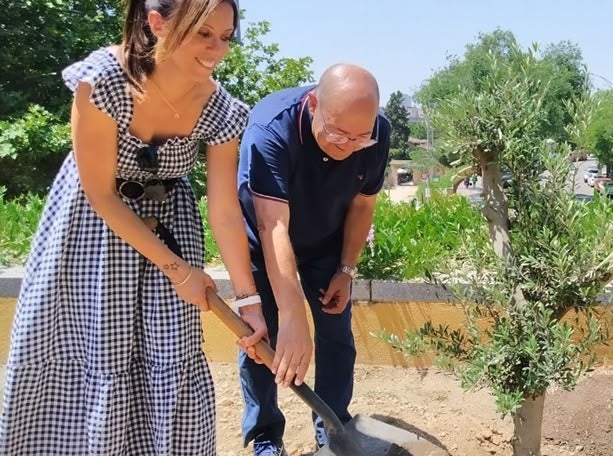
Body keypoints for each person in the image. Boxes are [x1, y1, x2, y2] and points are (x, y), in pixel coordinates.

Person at [0, 0, 269, 454]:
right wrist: (179, 272)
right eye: (204, 34)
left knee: (169, 351)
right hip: (93, 231)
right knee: (94, 349)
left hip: (171, 225)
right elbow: (101, 193)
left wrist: (249, 302)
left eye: (225, 37)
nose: (217, 49)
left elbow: (223, 210)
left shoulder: (221, 108)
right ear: (157, 23)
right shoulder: (104, 79)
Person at [235, 63, 391, 455]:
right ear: (313, 104)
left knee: (337, 334)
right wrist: (291, 317)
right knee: (261, 338)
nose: (347, 145)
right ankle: (266, 435)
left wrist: (346, 269)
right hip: (263, 241)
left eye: (359, 139)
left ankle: (333, 426)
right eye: (338, 132)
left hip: (326, 241)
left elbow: (362, 205)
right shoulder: (271, 129)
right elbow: (273, 226)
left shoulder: (376, 134)